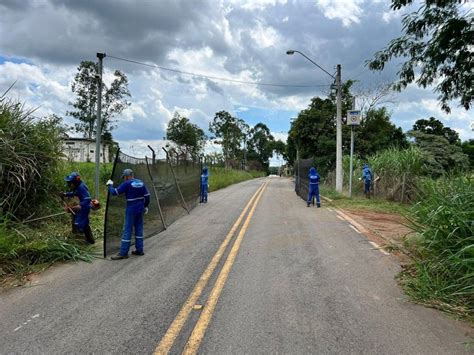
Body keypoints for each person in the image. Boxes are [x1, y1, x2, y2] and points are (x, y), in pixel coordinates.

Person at [106, 169, 150, 260]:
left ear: (126, 176)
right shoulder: (141, 182)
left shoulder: (127, 183)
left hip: (131, 209)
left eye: (124, 177)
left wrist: (109, 185)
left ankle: (123, 253)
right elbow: (147, 196)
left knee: (127, 229)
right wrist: (145, 206)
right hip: (140, 209)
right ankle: (139, 250)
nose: (124, 179)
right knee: (139, 228)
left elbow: (115, 192)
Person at [61, 172, 95, 244]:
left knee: (78, 224)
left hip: (84, 208)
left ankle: (81, 243)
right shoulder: (77, 187)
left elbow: (88, 198)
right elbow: (74, 193)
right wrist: (65, 194)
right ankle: (90, 241)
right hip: (82, 207)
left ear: (75, 182)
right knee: (82, 224)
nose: (69, 185)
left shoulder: (81, 187)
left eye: (70, 183)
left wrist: (80, 205)